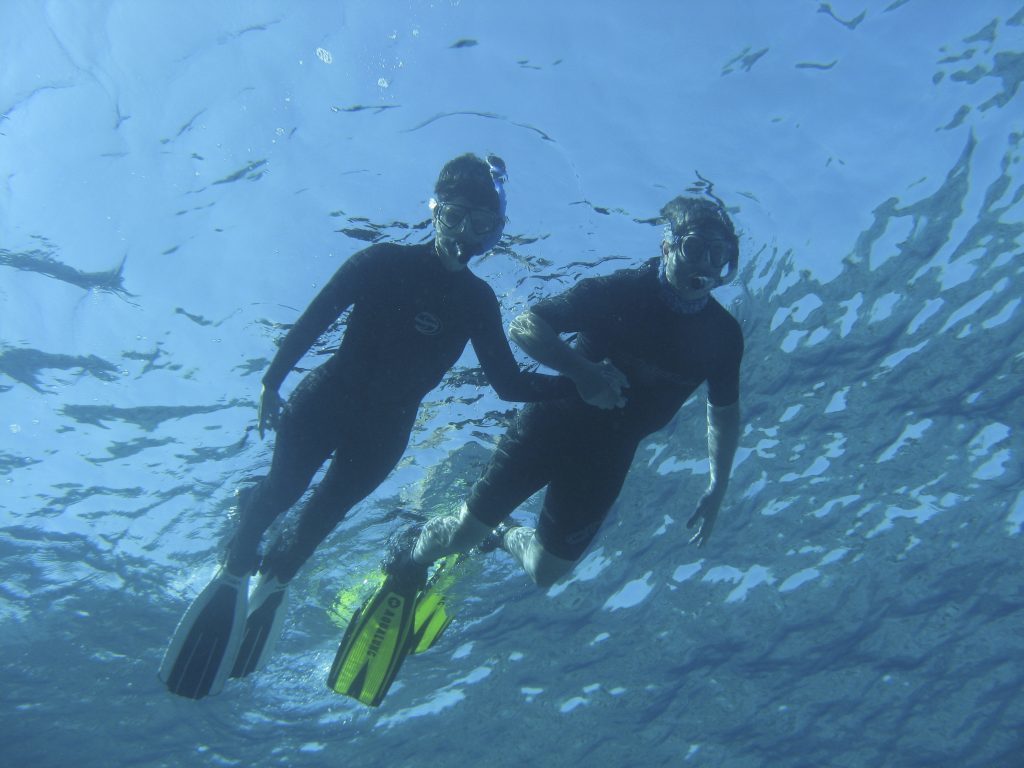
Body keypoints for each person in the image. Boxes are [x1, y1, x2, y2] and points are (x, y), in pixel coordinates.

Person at [160, 153, 578, 699]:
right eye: (455, 215)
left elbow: (507, 384)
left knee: (317, 523)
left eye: (482, 223)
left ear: (494, 233)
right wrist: (271, 382)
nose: (465, 234)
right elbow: (317, 317)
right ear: (435, 210)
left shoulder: (478, 301)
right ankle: (237, 561)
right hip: (320, 406)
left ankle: (273, 578)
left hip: (383, 436)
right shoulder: (381, 262)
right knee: (281, 493)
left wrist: (578, 384)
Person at [328, 194, 744, 707]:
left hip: (609, 457)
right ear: (667, 247)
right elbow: (526, 323)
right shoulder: (620, 291)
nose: (704, 266)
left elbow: (722, 411)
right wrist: (583, 372)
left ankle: (501, 533)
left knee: (547, 572)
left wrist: (718, 483)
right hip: (551, 427)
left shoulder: (724, 337)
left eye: (716, 255)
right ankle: (411, 554)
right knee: (459, 533)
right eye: (695, 249)